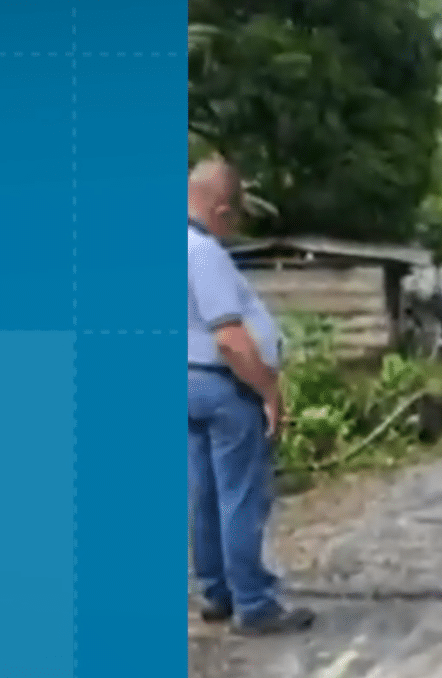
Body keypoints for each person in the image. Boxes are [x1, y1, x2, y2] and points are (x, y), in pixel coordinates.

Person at [187, 159, 315, 635]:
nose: (234, 226)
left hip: (185, 383)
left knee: (205, 494)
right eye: (234, 215)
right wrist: (268, 390)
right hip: (224, 387)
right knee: (241, 496)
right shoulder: (203, 253)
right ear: (220, 208)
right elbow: (231, 339)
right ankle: (255, 604)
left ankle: (216, 593)